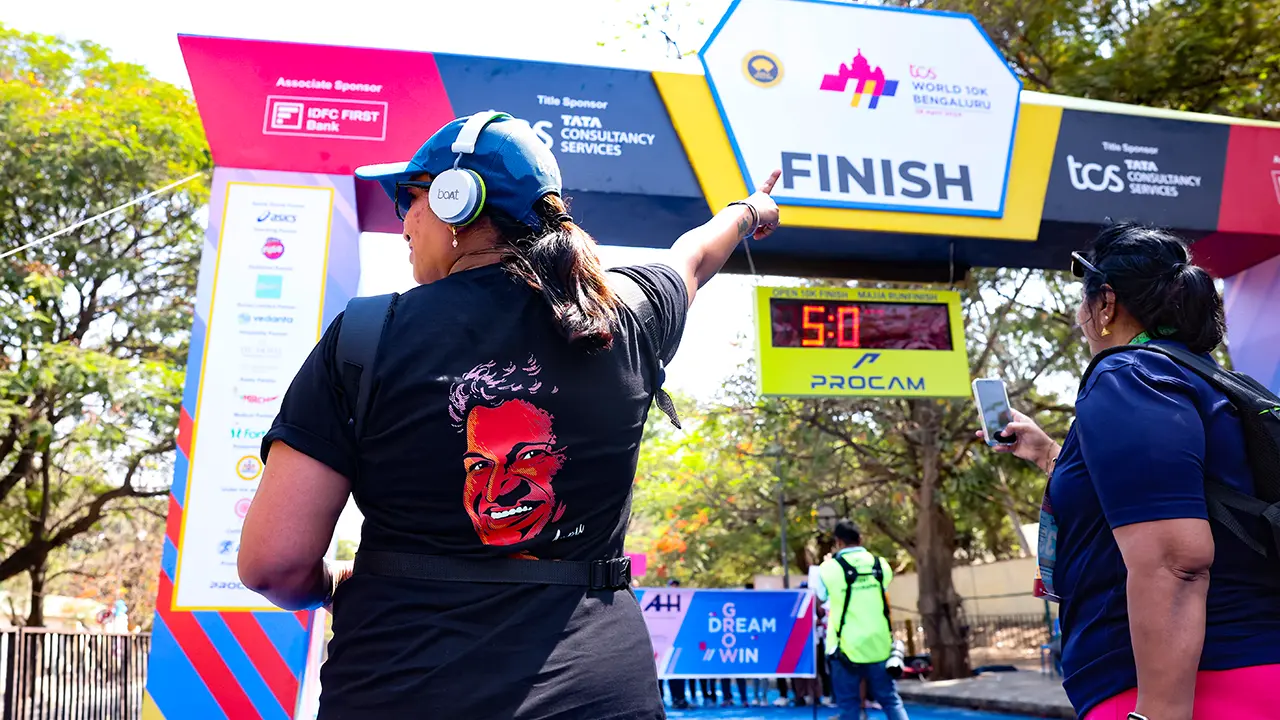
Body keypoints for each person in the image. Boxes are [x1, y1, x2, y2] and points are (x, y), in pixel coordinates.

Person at [236, 110, 781, 719]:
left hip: (399, 687)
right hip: (598, 694)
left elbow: (272, 564)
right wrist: (748, 212)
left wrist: (331, 585)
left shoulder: (366, 337)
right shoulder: (622, 318)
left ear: (454, 200)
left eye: (406, 199)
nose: (403, 223)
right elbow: (694, 257)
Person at [982, 222, 1280, 720]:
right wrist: (1049, 454)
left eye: (1083, 303)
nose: (1080, 318)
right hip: (1242, 673)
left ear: (1106, 306)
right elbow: (1174, 496)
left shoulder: (1126, 376)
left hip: (1195, 688)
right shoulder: (1199, 378)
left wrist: (1158, 712)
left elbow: (1174, 560)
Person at [815, 520, 908, 720]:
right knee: (890, 700)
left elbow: (819, 601)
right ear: (861, 539)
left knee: (849, 705)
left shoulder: (828, 569)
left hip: (844, 647)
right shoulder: (880, 565)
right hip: (879, 645)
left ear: (838, 542)